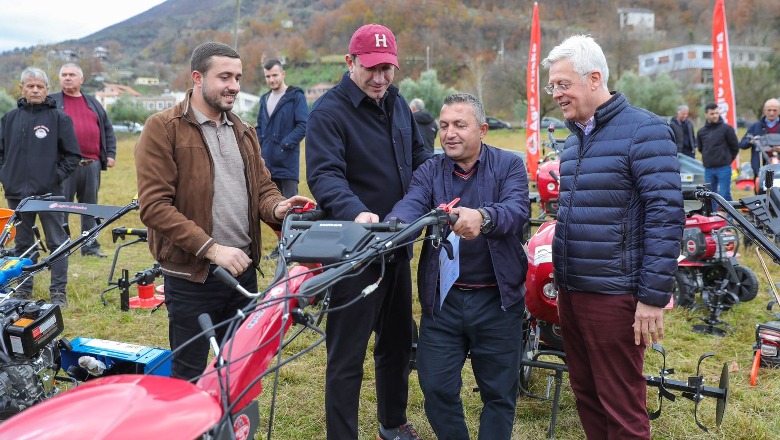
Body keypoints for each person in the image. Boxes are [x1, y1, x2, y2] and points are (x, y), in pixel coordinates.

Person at [135, 42, 313, 381]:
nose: (234, 85)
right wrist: (213, 249)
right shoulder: (163, 128)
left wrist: (277, 207)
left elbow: (262, 187)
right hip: (193, 276)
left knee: (239, 373)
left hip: (242, 272)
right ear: (198, 78)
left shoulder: (243, 130)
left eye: (238, 77)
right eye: (224, 77)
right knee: (189, 375)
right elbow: (155, 207)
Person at [541, 35, 684, 439]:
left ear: (594, 78)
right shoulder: (571, 144)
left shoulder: (644, 131)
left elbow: (666, 215)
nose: (556, 94)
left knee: (621, 406)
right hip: (573, 291)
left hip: (617, 296)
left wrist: (652, 297)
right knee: (587, 396)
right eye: (552, 85)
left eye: (563, 84)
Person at [306, 23, 432, 440]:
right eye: (371, 69)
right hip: (354, 251)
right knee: (347, 354)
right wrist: (357, 213)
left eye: (388, 69)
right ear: (351, 62)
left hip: (398, 242)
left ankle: (392, 423)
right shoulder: (328, 112)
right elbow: (324, 176)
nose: (380, 79)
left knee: (396, 343)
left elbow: (418, 157)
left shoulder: (396, 104)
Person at [387, 93, 529, 440]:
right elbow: (411, 205)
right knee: (435, 387)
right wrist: (392, 225)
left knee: (498, 393)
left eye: (460, 125)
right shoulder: (430, 170)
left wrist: (484, 216)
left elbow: (516, 211)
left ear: (482, 129)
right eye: (444, 125)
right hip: (444, 303)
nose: (449, 133)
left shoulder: (510, 165)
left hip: (498, 301)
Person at [0, 67, 81, 307]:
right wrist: (6, 176)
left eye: (40, 86)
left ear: (47, 90)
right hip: (17, 195)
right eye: (30, 85)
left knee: (57, 242)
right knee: (22, 245)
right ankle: (24, 290)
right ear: (22, 88)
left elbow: (72, 155)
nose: (35, 90)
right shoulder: (9, 119)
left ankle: (58, 293)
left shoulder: (59, 119)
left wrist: (54, 177)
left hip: (50, 194)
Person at [51, 62, 118, 258]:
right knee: (61, 206)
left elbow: (107, 129)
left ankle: (90, 247)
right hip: (63, 165)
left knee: (90, 208)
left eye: (72, 74)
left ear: (81, 79)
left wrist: (111, 154)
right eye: (64, 74)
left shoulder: (93, 103)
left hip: (91, 164)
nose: (68, 78)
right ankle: (61, 248)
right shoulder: (52, 102)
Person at [255, 59, 308, 199]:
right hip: (267, 165)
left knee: (290, 209)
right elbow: (259, 127)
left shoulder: (296, 96)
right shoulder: (264, 99)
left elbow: (303, 125)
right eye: (268, 76)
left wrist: (284, 145)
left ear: (283, 74)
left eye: (275, 75)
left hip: (287, 164)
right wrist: (261, 147)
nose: (271, 79)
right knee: (272, 209)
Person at [696, 102, 739, 209]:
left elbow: (735, 147)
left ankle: (730, 219)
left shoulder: (727, 129)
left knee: (725, 194)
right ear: (706, 115)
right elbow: (701, 148)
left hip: (724, 168)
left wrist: (727, 159)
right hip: (709, 169)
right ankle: (713, 219)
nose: (715, 116)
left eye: (716, 113)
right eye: (712, 114)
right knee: (710, 195)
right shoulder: (701, 132)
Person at [739, 98, 780, 189]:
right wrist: (750, 141)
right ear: (764, 111)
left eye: (775, 110)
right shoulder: (755, 126)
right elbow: (742, 144)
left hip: (778, 169)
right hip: (759, 169)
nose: (772, 113)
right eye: (769, 110)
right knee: (760, 195)